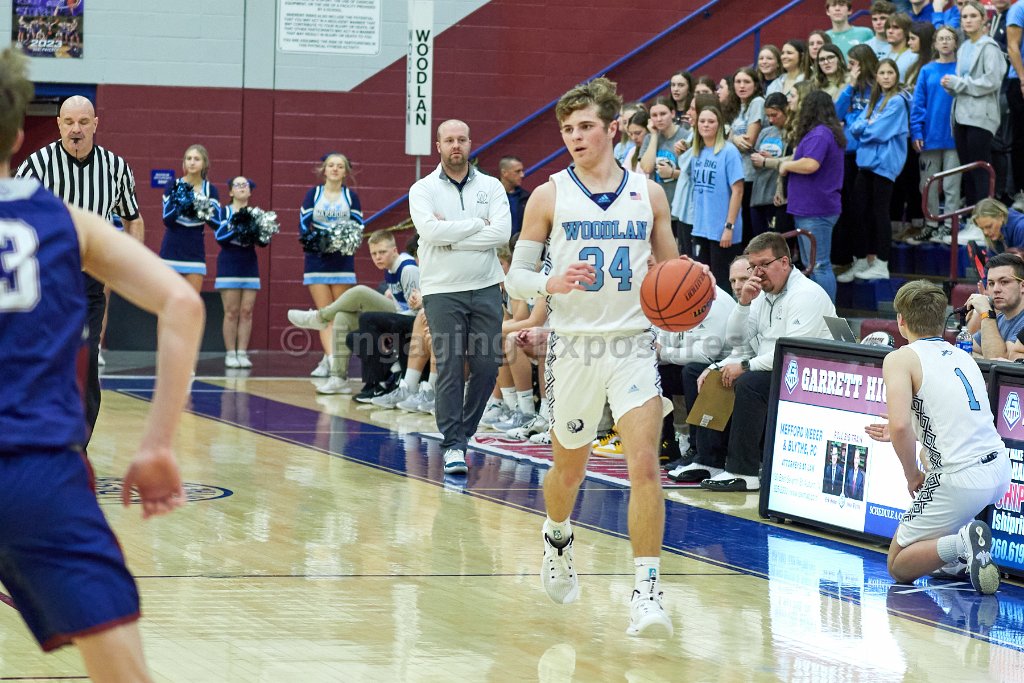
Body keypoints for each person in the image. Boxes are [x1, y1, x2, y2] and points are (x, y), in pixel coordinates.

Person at [0, 46, 202, 682]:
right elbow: (182, 303)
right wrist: (158, 444)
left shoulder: (102, 179)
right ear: (19, 134)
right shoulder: (63, 221)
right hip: (38, 472)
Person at [505, 77, 682, 638]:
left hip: (631, 344)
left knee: (645, 466)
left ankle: (647, 593)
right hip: (573, 347)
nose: (575, 137)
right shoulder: (548, 195)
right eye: (567, 129)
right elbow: (516, 277)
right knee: (570, 471)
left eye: (585, 126)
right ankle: (557, 536)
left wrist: (685, 285)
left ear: (613, 128)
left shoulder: (649, 194)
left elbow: (671, 271)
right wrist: (551, 282)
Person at [865, 280, 1010, 594]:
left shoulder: (900, 358)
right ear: (940, 318)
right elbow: (952, 420)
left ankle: (961, 543)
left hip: (960, 479)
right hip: (999, 470)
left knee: (898, 565)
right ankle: (955, 559)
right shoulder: (963, 355)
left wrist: (912, 475)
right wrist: (912, 432)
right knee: (925, 454)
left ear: (901, 321)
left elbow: (899, 426)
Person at [15, 95, 143, 449]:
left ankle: (77, 450)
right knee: (41, 362)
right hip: (44, 281)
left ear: (95, 124)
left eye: (83, 122)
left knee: (85, 369)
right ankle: (34, 444)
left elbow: (133, 219)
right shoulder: (36, 165)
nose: (76, 129)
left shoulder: (115, 168)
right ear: (58, 124)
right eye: (69, 122)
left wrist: (129, 263)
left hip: (89, 283)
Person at [680, 232, 835, 491]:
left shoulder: (806, 294)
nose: (758, 273)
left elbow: (791, 352)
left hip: (809, 375)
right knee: (702, 373)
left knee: (750, 382)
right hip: (774, 368)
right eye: (753, 266)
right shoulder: (762, 295)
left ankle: (744, 471)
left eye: (764, 264)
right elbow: (737, 340)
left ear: (784, 262)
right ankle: (709, 460)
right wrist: (743, 304)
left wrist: (744, 366)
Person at [409, 119, 511, 475]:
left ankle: (462, 433)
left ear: (470, 143)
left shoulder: (491, 186)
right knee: (450, 365)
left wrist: (449, 238)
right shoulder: (422, 189)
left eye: (462, 139)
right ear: (438, 145)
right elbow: (428, 232)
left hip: (486, 286)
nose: (456, 145)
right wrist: (477, 224)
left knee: (487, 366)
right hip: (441, 290)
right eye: (449, 140)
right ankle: (454, 444)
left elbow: (502, 233)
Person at [288, 230, 420, 395]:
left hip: (411, 320)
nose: (378, 257)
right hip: (398, 314)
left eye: (382, 252)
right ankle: (338, 378)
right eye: (374, 254)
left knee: (360, 292)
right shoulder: (389, 268)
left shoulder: (407, 268)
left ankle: (320, 317)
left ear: (394, 250)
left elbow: (416, 309)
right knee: (342, 317)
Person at [840, 58, 910, 283]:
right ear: (877, 77)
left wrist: (866, 127)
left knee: (880, 212)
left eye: (890, 72)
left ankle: (882, 264)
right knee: (858, 211)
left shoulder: (898, 101)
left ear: (896, 76)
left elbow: (877, 132)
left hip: (884, 165)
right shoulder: (875, 100)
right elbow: (854, 127)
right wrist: (866, 126)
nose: (886, 77)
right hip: (866, 163)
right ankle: (861, 260)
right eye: (882, 73)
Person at [299, 152, 364, 377]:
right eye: (331, 165)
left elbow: (358, 226)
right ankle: (331, 359)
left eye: (340, 166)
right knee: (324, 313)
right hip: (317, 259)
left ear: (345, 172)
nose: (335, 169)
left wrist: (339, 239)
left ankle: (331, 359)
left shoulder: (351, 196)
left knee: (339, 314)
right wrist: (319, 240)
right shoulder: (313, 194)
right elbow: (303, 224)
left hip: (342, 261)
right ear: (324, 170)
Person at [779, 89, 847, 301]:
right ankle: (819, 310)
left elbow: (811, 164)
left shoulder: (820, 134)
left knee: (819, 265)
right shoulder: (825, 132)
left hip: (816, 210)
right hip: (811, 208)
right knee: (812, 264)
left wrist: (786, 165)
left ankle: (827, 313)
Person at [942, 1, 1008, 207]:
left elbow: (992, 81)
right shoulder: (963, 48)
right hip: (961, 115)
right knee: (967, 170)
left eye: (973, 16)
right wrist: (950, 86)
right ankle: (971, 215)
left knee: (980, 169)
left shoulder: (990, 47)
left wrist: (959, 84)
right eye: (964, 16)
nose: (968, 20)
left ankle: (983, 216)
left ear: (983, 20)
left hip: (981, 116)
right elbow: (962, 82)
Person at [906, 25, 960, 245]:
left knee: (951, 185)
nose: (945, 42)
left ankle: (949, 226)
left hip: (955, 137)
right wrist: (916, 131)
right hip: (929, 136)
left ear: (956, 42)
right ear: (935, 44)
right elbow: (918, 104)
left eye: (949, 38)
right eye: (941, 39)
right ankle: (931, 224)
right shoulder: (927, 70)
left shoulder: (962, 68)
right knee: (927, 184)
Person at [214, 176, 266, 369]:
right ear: (231, 192)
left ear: (250, 191)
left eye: (246, 185)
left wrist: (259, 232)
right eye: (237, 185)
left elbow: (263, 241)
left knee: (246, 311)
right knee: (231, 312)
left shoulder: (256, 213)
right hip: (229, 263)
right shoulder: (224, 211)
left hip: (249, 263)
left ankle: (242, 353)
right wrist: (239, 226)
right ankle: (230, 353)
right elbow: (220, 237)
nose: (242, 187)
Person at [690, 105, 745, 286]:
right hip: (701, 228)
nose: (706, 125)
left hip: (722, 230)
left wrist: (729, 226)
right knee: (702, 283)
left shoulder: (729, 152)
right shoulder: (697, 152)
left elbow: (738, 190)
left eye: (711, 121)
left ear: (719, 125)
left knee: (722, 285)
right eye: (702, 121)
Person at [160, 144, 222, 293]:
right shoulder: (173, 185)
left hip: (195, 252)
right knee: (168, 301)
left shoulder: (210, 190)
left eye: (196, 159)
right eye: (188, 158)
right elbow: (167, 219)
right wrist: (183, 202)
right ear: (184, 162)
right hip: (171, 250)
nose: (192, 162)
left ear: (204, 163)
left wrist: (200, 206)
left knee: (192, 302)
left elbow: (216, 223)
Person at [964, 253, 1024, 359]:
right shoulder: (1000, 318)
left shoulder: (991, 317)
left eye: (1004, 282)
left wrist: (986, 313)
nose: (996, 289)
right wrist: (979, 310)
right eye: (991, 283)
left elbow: (998, 362)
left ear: (1022, 286)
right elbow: (964, 348)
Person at [499, 155, 530, 235]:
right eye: (517, 171)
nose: (522, 175)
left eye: (522, 171)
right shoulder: (490, 196)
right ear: (504, 173)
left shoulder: (527, 198)